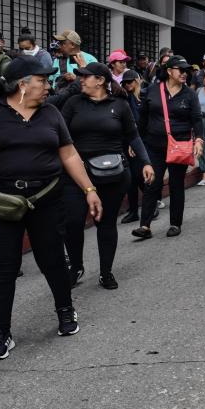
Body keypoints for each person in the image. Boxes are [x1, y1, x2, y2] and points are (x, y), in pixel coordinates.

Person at [0, 55, 104, 360]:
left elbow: (68, 155)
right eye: (42, 80)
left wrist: (89, 189)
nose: (47, 86)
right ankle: (1, 331)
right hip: (4, 203)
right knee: (3, 269)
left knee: (52, 260)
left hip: (46, 201)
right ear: (22, 85)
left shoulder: (51, 113)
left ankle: (66, 312)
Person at [62, 63, 153, 289]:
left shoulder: (120, 106)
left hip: (112, 174)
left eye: (85, 77)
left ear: (101, 80)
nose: (81, 80)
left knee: (106, 223)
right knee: (72, 222)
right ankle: (76, 266)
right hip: (78, 174)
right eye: (80, 77)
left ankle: (106, 272)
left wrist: (146, 163)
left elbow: (134, 137)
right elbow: (60, 136)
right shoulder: (73, 103)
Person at [132, 56, 204, 239]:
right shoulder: (154, 90)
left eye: (186, 70)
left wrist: (199, 140)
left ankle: (175, 223)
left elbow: (196, 119)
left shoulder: (189, 94)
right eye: (180, 69)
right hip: (154, 146)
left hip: (179, 146)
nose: (184, 73)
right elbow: (143, 118)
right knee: (152, 183)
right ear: (169, 71)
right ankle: (145, 226)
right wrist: (136, 141)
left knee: (176, 184)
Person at [119, 70, 150, 224]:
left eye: (130, 81)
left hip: (141, 141)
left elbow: (143, 122)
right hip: (127, 141)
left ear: (137, 81)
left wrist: (136, 142)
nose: (127, 85)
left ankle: (149, 206)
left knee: (139, 176)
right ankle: (133, 211)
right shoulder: (125, 97)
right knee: (130, 179)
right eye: (125, 82)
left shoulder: (145, 96)